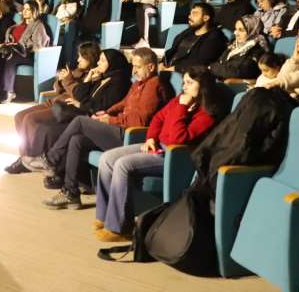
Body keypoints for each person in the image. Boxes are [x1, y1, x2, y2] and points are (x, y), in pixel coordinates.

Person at [93, 65, 223, 241]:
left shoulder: (206, 115)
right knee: (107, 158)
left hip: (175, 157)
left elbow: (178, 139)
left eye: (190, 83)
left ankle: (119, 228)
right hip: (158, 146)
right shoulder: (179, 101)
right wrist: (151, 138)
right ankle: (104, 216)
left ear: (203, 85)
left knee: (122, 165)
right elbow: (158, 118)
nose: (184, 86)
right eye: (184, 82)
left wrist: (182, 108)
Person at [41, 48, 169, 209]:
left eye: (138, 67)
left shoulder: (153, 86)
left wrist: (111, 120)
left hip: (130, 136)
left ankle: (52, 158)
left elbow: (140, 120)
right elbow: (124, 103)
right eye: (133, 66)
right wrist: (107, 112)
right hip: (120, 128)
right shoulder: (139, 83)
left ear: (151, 67)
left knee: (80, 121)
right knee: (77, 140)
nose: (134, 71)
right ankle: (71, 192)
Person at [7, 46, 131, 174]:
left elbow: (79, 96)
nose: (78, 60)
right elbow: (59, 89)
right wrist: (61, 80)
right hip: (58, 102)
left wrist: (72, 82)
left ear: (90, 58)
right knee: (19, 116)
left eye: (82, 57)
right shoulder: (90, 74)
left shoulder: (109, 80)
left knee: (32, 120)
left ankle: (29, 159)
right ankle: (25, 157)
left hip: (68, 106)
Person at [0, 0, 51, 104]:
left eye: (28, 9)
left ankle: (9, 93)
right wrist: (8, 44)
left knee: (11, 59)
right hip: (14, 51)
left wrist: (20, 46)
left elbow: (38, 45)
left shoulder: (38, 25)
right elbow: (11, 38)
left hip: (28, 55)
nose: (24, 11)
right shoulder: (18, 25)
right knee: (0, 56)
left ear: (34, 11)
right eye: (24, 9)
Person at [162, 3, 227, 72]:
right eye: (190, 14)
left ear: (205, 18)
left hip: (185, 73)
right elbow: (172, 51)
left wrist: (176, 68)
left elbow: (201, 62)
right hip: (168, 68)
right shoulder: (188, 32)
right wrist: (162, 63)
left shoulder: (215, 38)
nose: (190, 16)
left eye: (194, 14)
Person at [209, 15, 269, 80]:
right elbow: (219, 61)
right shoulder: (234, 44)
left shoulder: (257, 51)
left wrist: (212, 67)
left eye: (241, 30)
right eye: (236, 29)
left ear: (252, 31)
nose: (236, 33)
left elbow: (239, 72)